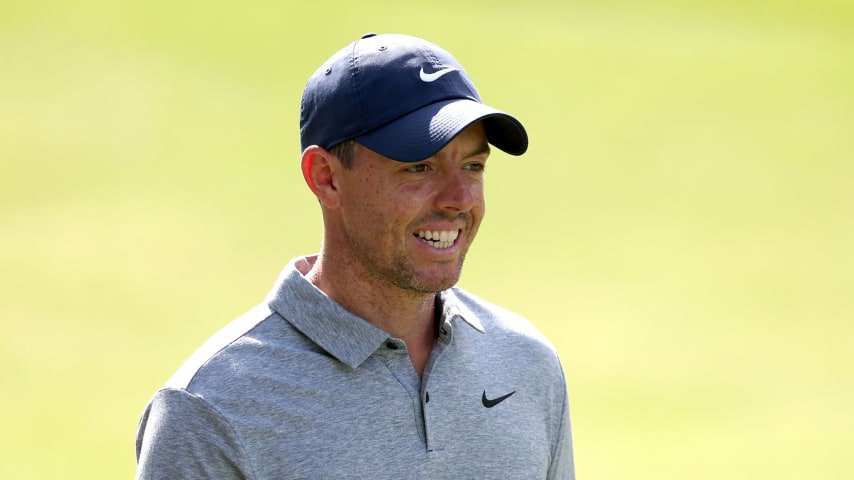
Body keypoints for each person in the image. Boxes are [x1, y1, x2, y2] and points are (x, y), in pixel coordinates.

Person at [135, 32, 575, 479]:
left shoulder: (526, 362)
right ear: (325, 177)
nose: (459, 198)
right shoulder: (211, 410)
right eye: (419, 166)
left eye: (473, 166)